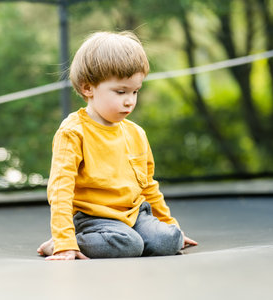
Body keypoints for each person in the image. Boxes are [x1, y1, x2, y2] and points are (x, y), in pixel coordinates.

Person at [37, 31, 197, 260]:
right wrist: (64, 241)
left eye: (135, 91)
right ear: (88, 88)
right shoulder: (73, 132)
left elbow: (148, 186)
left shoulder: (135, 133)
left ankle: (138, 235)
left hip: (134, 215)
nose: (129, 100)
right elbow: (60, 190)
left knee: (170, 240)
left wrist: (171, 226)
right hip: (94, 218)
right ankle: (63, 243)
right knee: (128, 245)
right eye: (120, 92)